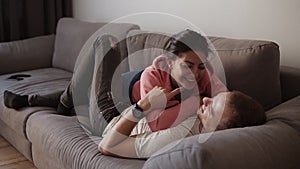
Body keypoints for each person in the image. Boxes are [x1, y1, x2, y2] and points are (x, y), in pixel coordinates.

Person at [98, 88, 266, 159]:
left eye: (211, 108)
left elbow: (107, 146)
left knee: (105, 48)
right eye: (215, 97)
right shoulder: (203, 119)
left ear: (218, 131)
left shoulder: (178, 139)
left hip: (110, 120)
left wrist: (142, 106)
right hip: (128, 102)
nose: (206, 99)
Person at [129, 29, 227, 132]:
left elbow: (228, 104)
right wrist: (196, 101)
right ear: (170, 62)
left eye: (201, 67)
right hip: (124, 91)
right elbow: (156, 124)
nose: (195, 74)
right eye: (187, 66)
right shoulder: (152, 76)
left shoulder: (206, 75)